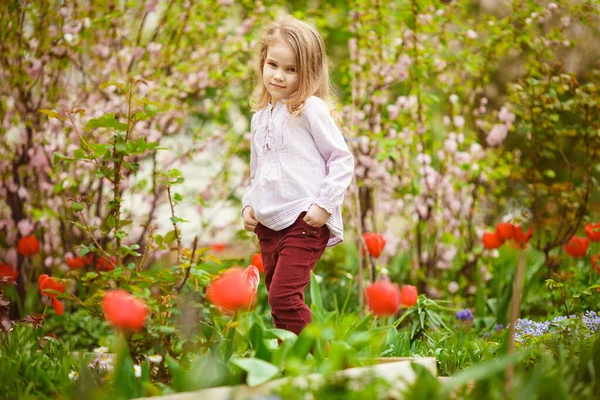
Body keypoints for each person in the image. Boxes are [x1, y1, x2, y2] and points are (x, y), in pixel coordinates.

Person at [241, 16, 354, 335]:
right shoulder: (260, 117)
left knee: (284, 297)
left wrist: (324, 204)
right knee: (278, 304)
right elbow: (257, 172)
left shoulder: (310, 110)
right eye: (273, 64)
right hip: (268, 224)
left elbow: (341, 158)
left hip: (304, 220)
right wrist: (248, 206)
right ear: (262, 62)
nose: (278, 75)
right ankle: (291, 371)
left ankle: (321, 368)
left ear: (308, 72)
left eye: (291, 70)